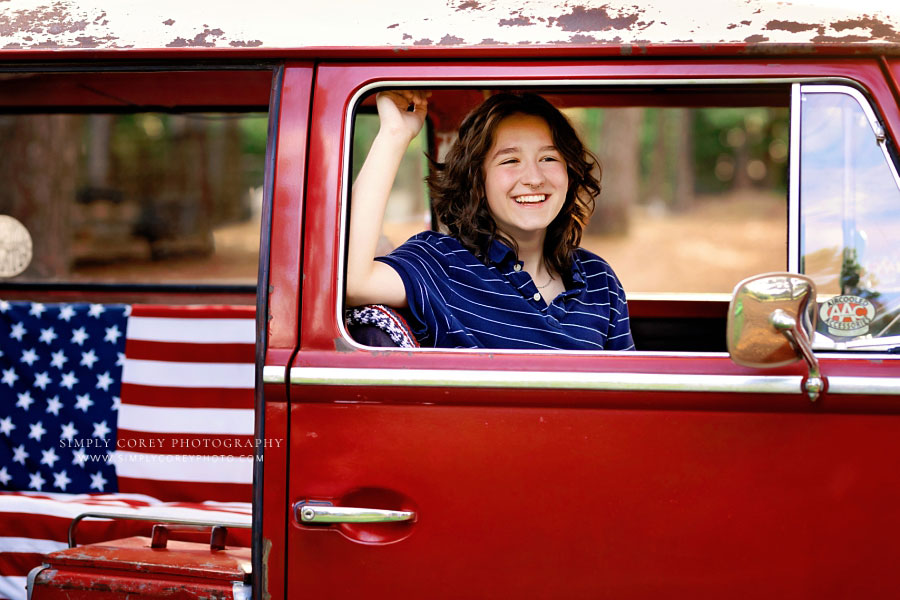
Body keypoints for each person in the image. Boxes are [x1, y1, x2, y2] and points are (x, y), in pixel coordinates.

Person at [347, 89, 634, 351]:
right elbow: (352, 281)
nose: (534, 179)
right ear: (476, 180)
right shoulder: (441, 263)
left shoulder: (599, 279)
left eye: (549, 158)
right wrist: (394, 134)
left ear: (569, 173)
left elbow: (628, 398)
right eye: (510, 161)